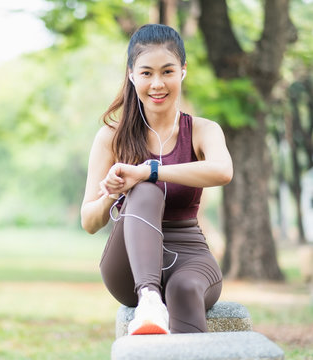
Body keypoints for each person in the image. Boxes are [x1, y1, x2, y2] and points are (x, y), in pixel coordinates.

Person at [80, 24, 233, 335]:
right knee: (146, 193)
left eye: (167, 72)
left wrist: (148, 170)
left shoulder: (203, 130)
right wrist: (117, 189)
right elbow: (90, 222)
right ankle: (149, 298)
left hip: (189, 254)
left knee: (185, 290)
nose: (157, 84)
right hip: (128, 265)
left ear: (183, 71)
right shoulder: (110, 137)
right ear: (132, 75)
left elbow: (222, 171)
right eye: (147, 73)